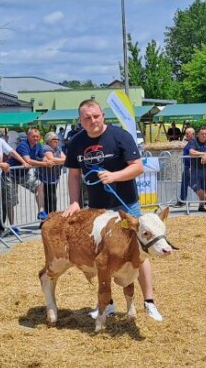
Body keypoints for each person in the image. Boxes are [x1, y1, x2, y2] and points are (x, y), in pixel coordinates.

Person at [63, 99, 163, 321]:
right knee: (102, 258)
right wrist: (74, 201)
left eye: (96, 116)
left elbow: (137, 167)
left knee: (139, 255)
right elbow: (74, 174)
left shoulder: (120, 136)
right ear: (80, 120)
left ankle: (149, 302)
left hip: (125, 207)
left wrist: (114, 176)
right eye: (87, 118)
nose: (93, 121)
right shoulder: (76, 142)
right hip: (97, 211)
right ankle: (107, 304)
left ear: (103, 115)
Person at [7, 127, 52, 220]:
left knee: (39, 185)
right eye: (33, 136)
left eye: (37, 136)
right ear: (28, 136)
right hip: (11, 174)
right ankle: (11, 226)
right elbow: (28, 160)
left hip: (24, 174)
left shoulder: (38, 145)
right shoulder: (22, 145)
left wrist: (47, 161)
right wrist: (44, 164)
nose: (35, 138)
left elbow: (43, 157)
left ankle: (41, 211)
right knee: (11, 200)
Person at [40, 132, 66, 214]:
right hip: (46, 178)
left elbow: (64, 158)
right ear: (49, 140)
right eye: (55, 139)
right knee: (49, 199)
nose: (57, 141)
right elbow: (52, 159)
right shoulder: (45, 148)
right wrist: (61, 161)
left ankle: (52, 216)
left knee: (53, 198)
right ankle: (48, 218)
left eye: (58, 139)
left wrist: (60, 161)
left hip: (55, 177)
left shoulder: (58, 148)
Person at [174, 127, 195, 207]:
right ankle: (182, 200)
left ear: (192, 134)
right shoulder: (190, 142)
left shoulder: (193, 143)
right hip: (187, 166)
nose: (186, 135)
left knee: (189, 184)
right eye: (186, 133)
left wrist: (191, 166)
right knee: (186, 183)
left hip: (190, 167)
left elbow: (194, 155)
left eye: (187, 133)